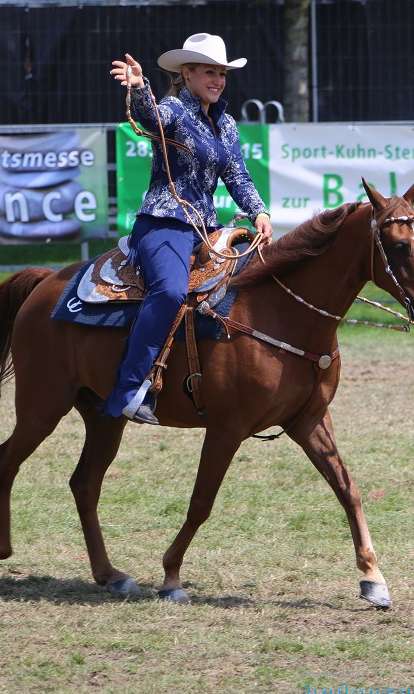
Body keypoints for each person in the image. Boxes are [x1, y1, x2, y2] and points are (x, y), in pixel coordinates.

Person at [104, 33, 273, 425]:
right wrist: (141, 88)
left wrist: (259, 212)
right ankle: (130, 388)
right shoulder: (174, 109)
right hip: (164, 223)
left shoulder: (226, 122)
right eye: (209, 72)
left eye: (222, 73)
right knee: (171, 291)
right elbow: (151, 119)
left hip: (207, 230)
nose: (217, 80)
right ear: (187, 73)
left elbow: (237, 175)